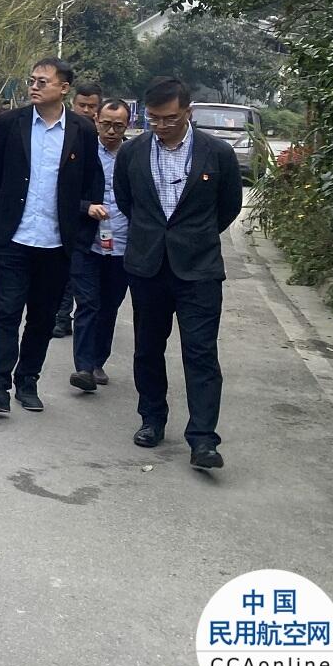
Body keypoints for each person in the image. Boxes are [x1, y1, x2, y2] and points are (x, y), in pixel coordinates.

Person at [114, 77, 243, 470]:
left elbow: (229, 207)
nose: (161, 126)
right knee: (148, 348)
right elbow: (126, 201)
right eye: (153, 118)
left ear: (188, 111)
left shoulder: (216, 153)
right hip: (148, 267)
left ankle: (203, 439)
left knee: (201, 353)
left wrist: (193, 237)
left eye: (169, 118)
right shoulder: (133, 152)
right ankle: (151, 419)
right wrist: (155, 237)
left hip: (199, 270)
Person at [0, 57, 105, 416]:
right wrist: (1, 220)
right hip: (16, 237)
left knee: (43, 318)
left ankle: (27, 381)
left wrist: (79, 231)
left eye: (42, 81)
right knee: (6, 313)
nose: (34, 86)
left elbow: (91, 183)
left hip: (57, 243)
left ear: (64, 88)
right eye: (31, 80)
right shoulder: (10, 123)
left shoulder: (82, 130)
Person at [69, 98, 132, 392]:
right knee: (88, 304)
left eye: (118, 126)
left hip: (123, 245)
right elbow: (63, 193)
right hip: (87, 243)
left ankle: (97, 361)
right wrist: (86, 207)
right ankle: (83, 367)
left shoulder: (135, 155)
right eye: (106, 124)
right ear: (96, 121)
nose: (111, 131)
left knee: (109, 307)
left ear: (127, 125)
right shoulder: (81, 152)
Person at [52, 82, 104, 338]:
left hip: (106, 224)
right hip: (71, 218)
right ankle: (62, 317)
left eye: (92, 106)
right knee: (67, 272)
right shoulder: (63, 138)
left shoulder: (111, 141)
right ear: (73, 104)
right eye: (82, 105)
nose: (86, 110)